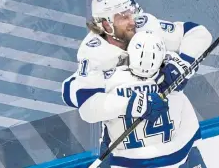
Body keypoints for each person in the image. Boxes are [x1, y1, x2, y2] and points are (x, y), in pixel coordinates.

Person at [62, 0, 213, 109]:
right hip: (128, 138)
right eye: (124, 17)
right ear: (106, 25)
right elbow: (75, 95)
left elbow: (198, 33)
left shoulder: (145, 25)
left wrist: (183, 65)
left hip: (174, 123)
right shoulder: (94, 52)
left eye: (131, 14)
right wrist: (129, 102)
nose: (132, 22)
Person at [78, 31, 201, 168]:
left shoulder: (110, 81)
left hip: (126, 162)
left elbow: (88, 108)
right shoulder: (171, 80)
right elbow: (198, 37)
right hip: (174, 158)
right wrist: (183, 64)